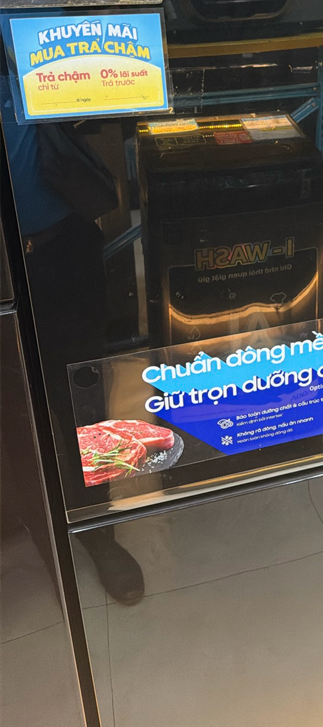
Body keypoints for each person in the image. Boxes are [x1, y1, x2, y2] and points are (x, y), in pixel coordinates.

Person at [1, 86, 144, 606]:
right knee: (13, 410)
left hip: (61, 244)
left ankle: (99, 530)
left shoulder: (17, 38)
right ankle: (28, 525)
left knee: (83, 398)